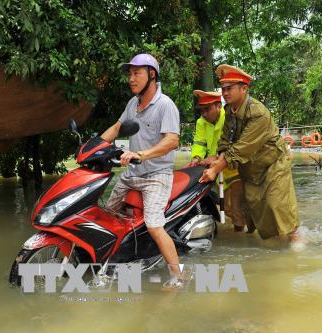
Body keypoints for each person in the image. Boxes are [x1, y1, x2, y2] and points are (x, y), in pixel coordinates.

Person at [100, 54, 183, 285]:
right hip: (132, 174)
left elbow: (172, 141)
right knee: (105, 213)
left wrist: (141, 154)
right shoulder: (132, 104)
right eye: (130, 74)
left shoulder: (165, 105)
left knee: (154, 224)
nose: (131, 79)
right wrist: (94, 146)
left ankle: (178, 277)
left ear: (152, 75)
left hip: (157, 176)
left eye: (137, 73)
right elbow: (117, 127)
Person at [199, 64, 300, 242]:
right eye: (223, 88)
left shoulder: (258, 112)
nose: (225, 92)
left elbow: (242, 147)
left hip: (273, 163)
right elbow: (225, 140)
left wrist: (216, 169)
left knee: (277, 204)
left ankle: (295, 239)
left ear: (244, 89)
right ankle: (276, 240)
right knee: (255, 206)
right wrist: (217, 157)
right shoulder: (229, 110)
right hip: (252, 167)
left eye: (229, 88)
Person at [186, 90, 251, 232]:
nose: (204, 114)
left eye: (207, 109)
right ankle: (242, 232)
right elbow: (199, 143)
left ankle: (243, 236)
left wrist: (216, 156)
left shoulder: (229, 119)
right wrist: (196, 158)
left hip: (234, 170)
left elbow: (236, 144)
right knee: (227, 208)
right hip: (217, 172)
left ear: (218, 106)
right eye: (201, 110)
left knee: (235, 208)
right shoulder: (201, 122)